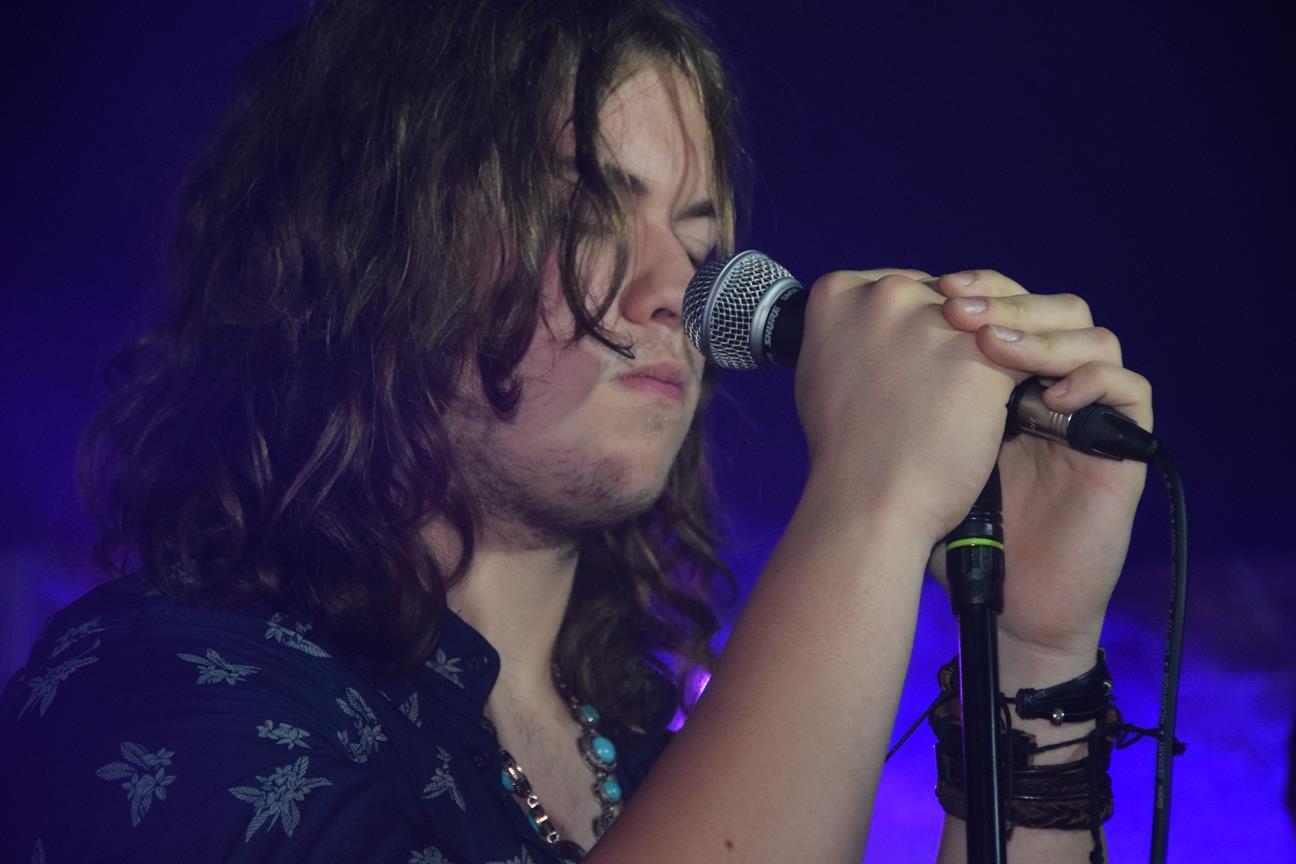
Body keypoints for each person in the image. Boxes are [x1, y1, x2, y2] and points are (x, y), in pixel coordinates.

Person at [0, 1, 1152, 862]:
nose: (680, 294)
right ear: (367, 254)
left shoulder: (641, 744)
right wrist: (871, 502)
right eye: (587, 213)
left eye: (700, 239)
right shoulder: (148, 694)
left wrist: (1035, 654)